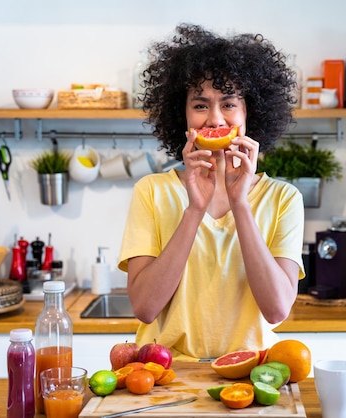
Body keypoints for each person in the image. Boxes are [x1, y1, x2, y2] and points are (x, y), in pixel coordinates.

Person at [118, 23, 305, 361]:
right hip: (164, 375)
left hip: (250, 375)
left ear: (250, 113)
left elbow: (277, 309)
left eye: (229, 104)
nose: (215, 118)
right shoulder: (151, 191)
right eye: (201, 105)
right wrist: (194, 209)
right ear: (183, 115)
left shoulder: (284, 198)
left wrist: (240, 204)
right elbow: (145, 308)